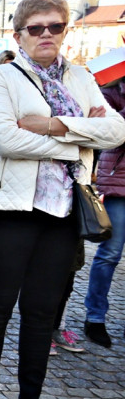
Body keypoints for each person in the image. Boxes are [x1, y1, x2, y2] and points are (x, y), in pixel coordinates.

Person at [0, 0, 125, 399]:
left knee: (42, 311)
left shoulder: (80, 76)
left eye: (54, 27)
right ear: (18, 34)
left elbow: (117, 130)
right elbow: (5, 140)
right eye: (35, 28)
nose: (45, 35)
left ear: (64, 31)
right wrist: (81, 137)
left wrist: (53, 126)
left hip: (64, 209)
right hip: (9, 210)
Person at [84, 79, 125, 348]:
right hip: (120, 186)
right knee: (110, 254)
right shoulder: (112, 93)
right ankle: (95, 318)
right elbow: (107, 133)